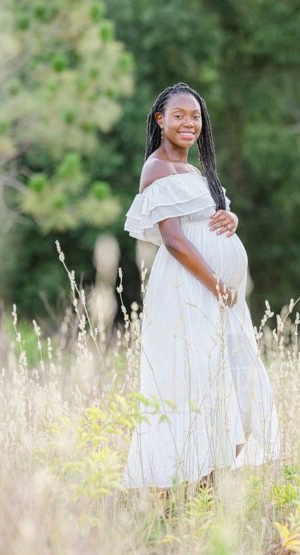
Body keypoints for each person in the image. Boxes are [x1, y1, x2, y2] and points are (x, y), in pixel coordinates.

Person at [120, 82, 280, 491]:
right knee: (196, 378)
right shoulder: (155, 167)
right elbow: (173, 239)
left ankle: (209, 481)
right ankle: (189, 485)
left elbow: (208, 219)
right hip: (192, 290)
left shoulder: (193, 171)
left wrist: (233, 220)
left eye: (195, 116)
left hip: (218, 295)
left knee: (229, 378)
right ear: (160, 120)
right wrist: (217, 285)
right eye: (179, 115)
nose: (189, 123)